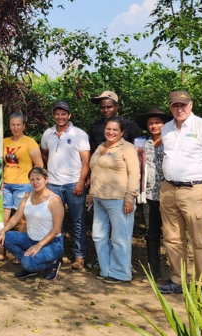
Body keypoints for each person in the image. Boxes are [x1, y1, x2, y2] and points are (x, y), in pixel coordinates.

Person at [157, 91, 202, 305]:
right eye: (175, 105)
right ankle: (177, 280)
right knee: (172, 238)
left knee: (199, 240)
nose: (180, 109)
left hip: (195, 190)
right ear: (170, 107)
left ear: (191, 105)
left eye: (183, 105)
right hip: (169, 189)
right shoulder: (167, 128)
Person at [0, 112, 43, 262]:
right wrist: (1, 180)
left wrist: (33, 184)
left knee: (22, 220)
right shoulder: (4, 142)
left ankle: (20, 254)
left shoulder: (30, 142)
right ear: (9, 126)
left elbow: (39, 165)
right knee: (3, 220)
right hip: (6, 185)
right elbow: (0, 164)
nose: (15, 128)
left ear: (23, 126)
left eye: (18, 124)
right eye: (13, 125)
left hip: (23, 185)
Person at [39, 102, 91, 270]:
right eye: (57, 114)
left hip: (74, 184)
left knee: (77, 222)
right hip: (53, 185)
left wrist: (81, 181)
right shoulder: (48, 133)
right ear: (53, 115)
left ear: (69, 115)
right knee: (56, 223)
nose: (60, 117)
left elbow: (86, 161)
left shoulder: (79, 134)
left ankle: (79, 257)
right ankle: (56, 256)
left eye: (63, 114)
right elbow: (44, 154)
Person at [88, 117, 140, 283]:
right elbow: (95, 171)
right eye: (108, 129)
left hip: (119, 199)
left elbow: (134, 174)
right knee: (98, 236)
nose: (111, 132)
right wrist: (90, 194)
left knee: (120, 238)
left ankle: (121, 273)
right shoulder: (102, 147)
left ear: (122, 132)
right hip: (99, 198)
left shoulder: (128, 148)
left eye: (115, 130)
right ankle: (106, 269)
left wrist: (130, 197)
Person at [0, 167, 66, 280]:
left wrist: (38, 246)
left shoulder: (54, 200)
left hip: (51, 244)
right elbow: (16, 216)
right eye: (32, 179)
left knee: (28, 263)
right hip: (31, 239)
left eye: (38, 179)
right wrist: (2, 231)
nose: (35, 182)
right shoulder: (28, 195)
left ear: (46, 179)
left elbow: (57, 229)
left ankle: (53, 262)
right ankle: (29, 262)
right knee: (6, 238)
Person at [135, 108, 173, 282]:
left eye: (157, 122)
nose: (154, 126)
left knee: (173, 234)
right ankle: (154, 271)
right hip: (149, 195)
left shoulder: (172, 142)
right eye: (151, 123)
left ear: (164, 124)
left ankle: (176, 272)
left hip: (170, 194)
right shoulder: (142, 144)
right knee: (151, 234)